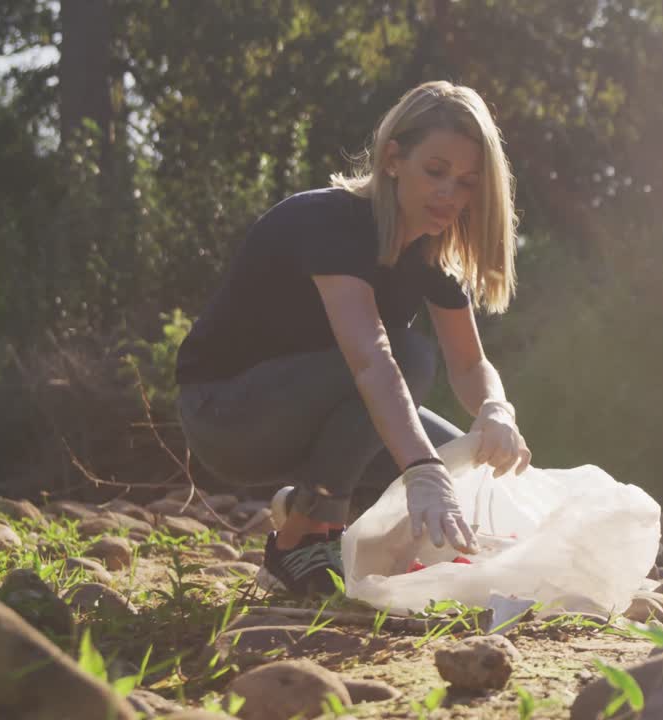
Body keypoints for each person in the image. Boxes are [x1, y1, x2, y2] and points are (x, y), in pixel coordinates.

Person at [174, 80, 531, 596]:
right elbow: (372, 361)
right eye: (435, 172)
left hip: (314, 414)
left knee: (474, 471)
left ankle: (308, 504)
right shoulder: (331, 221)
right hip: (227, 417)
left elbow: (470, 365)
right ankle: (304, 538)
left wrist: (497, 410)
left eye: (467, 182)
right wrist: (422, 470)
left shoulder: (432, 251)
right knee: (409, 358)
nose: (449, 194)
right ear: (392, 159)